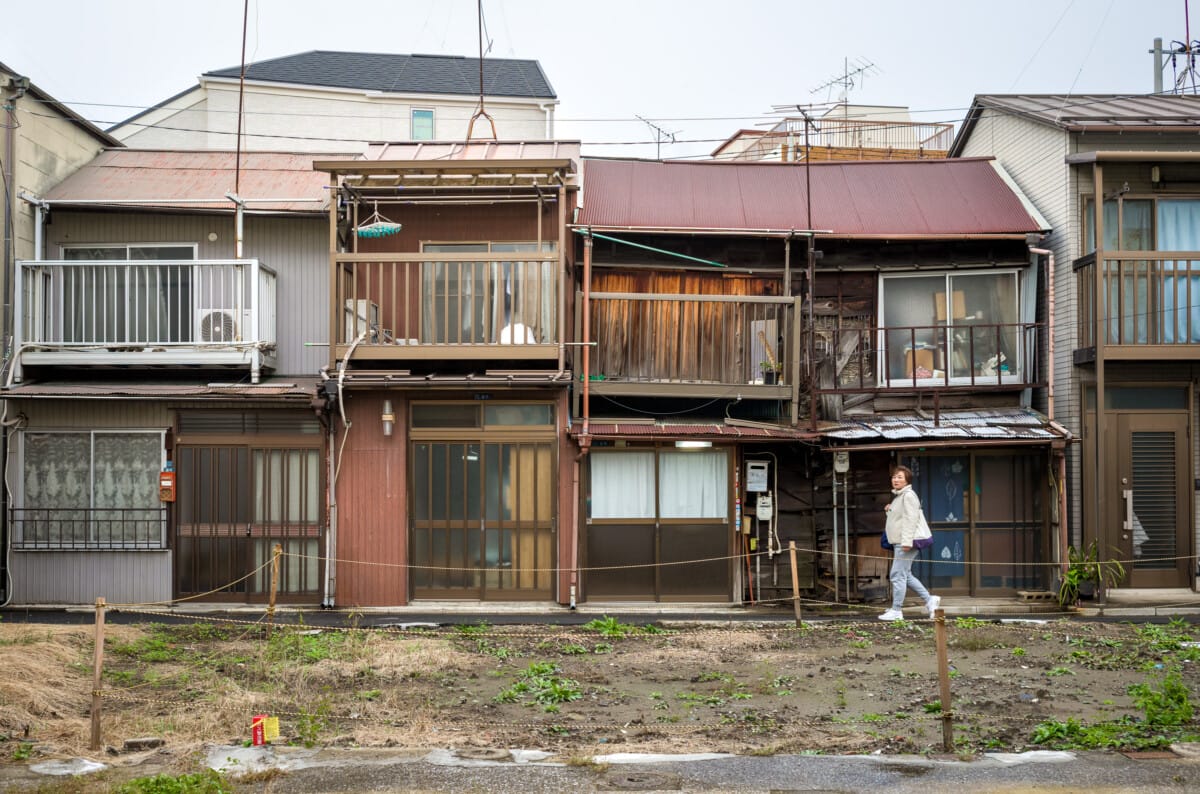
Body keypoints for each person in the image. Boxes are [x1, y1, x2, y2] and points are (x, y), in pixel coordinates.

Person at [879, 465, 940, 621]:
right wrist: (889, 511)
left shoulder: (908, 495)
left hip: (905, 542)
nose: (896, 479)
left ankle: (897, 610)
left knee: (897, 575)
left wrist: (907, 542)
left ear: (907, 480)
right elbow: (900, 518)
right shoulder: (900, 496)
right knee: (906, 574)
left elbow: (910, 520)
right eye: (894, 477)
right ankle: (929, 600)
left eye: (900, 477)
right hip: (901, 541)